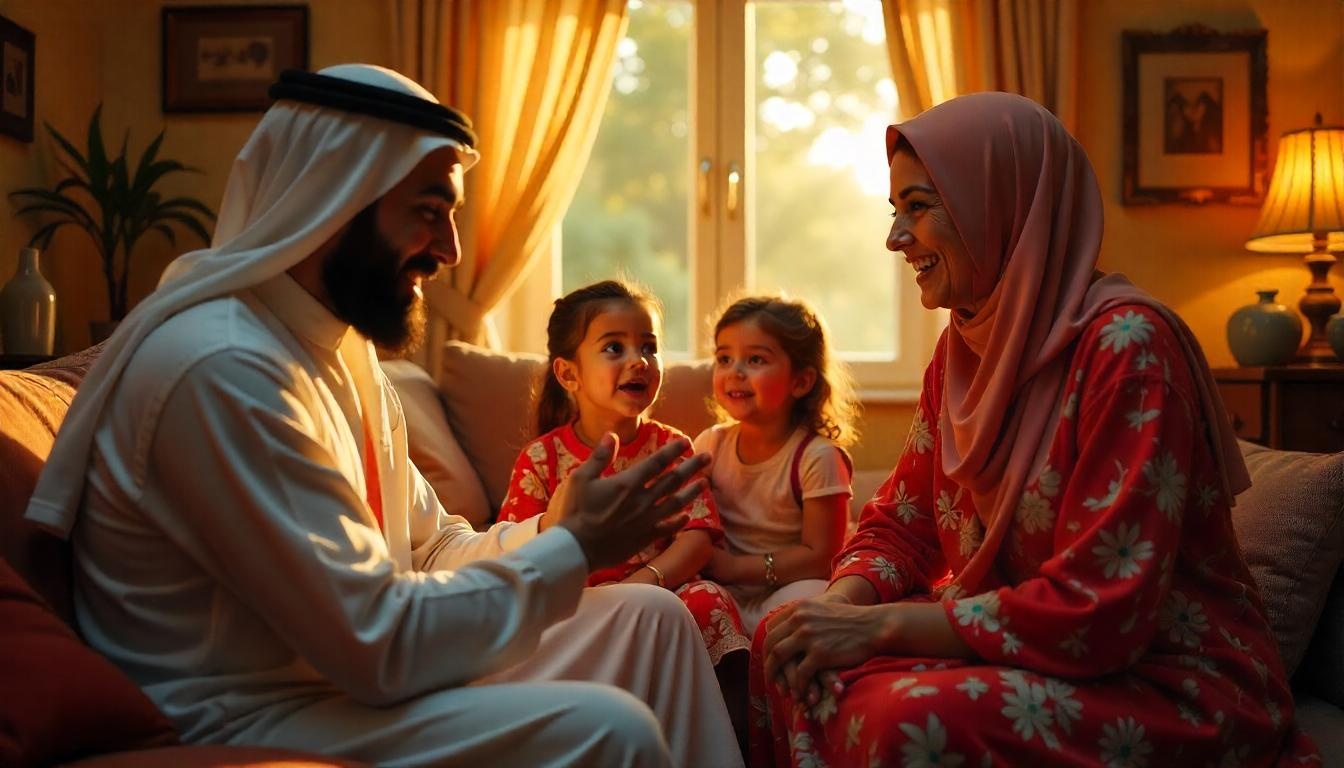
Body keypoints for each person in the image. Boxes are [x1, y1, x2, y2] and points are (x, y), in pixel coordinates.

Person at [24, 64, 743, 768]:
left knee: (654, 619)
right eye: (430, 212)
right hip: (248, 711)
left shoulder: (340, 352)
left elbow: (427, 551)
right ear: (332, 201)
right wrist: (577, 548)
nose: (452, 250)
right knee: (608, 730)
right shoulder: (223, 368)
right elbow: (378, 644)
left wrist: (555, 526)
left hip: (346, 676)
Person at [753, 92, 1319, 767]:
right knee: (786, 642)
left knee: (903, 720)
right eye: (894, 211)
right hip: (1019, 651)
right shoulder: (961, 351)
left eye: (919, 206)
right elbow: (903, 525)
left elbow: (1102, 610)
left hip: (1162, 676)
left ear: (1000, 203)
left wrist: (878, 625)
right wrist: (840, 608)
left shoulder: (1130, 348)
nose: (895, 239)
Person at [499, 279, 751, 676]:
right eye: (614, 348)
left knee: (709, 599)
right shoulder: (541, 459)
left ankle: (733, 734)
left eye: (649, 347)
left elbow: (697, 538)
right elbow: (517, 549)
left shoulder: (673, 447)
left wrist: (646, 581)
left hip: (663, 588)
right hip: (577, 600)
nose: (639, 361)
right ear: (568, 374)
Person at [694, 295, 856, 637]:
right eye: (724, 358)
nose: (734, 372)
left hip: (790, 587)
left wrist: (735, 568)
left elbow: (821, 556)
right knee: (689, 602)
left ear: (801, 382)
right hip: (724, 591)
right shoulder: (711, 443)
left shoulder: (817, 456)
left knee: (815, 599)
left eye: (755, 359)